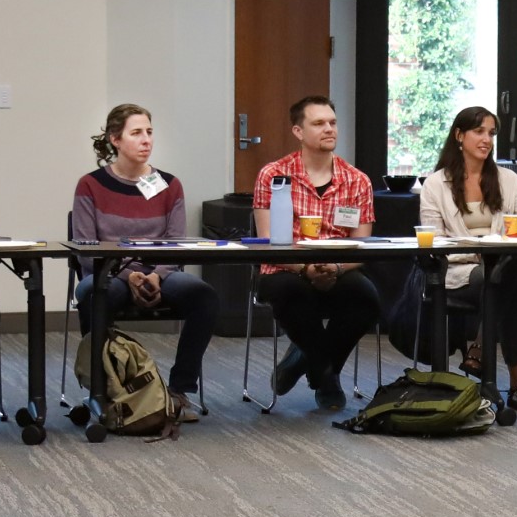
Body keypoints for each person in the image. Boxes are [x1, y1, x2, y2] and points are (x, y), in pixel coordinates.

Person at [70, 103, 218, 419]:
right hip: (111, 273)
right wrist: (130, 276)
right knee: (94, 292)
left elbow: (176, 244)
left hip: (161, 272)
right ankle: (104, 391)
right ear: (115, 140)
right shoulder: (90, 185)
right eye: (136, 133)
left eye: (149, 132)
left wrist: (156, 276)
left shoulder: (169, 184)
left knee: (203, 295)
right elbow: (86, 251)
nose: (146, 140)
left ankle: (178, 391)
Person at [250, 95, 379, 413]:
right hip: (284, 268)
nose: (329, 129)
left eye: (332, 122)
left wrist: (335, 268)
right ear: (298, 131)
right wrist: (305, 269)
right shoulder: (273, 175)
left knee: (366, 298)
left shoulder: (357, 180)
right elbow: (268, 242)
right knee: (291, 292)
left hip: (338, 268)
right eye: (319, 123)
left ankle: (302, 357)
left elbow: (362, 245)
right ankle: (326, 376)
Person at [418, 105, 517, 412]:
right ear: (459, 136)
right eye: (479, 132)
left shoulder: (509, 180)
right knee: (506, 282)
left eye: (491, 133)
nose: (487, 140)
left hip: (509, 265)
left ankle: (479, 347)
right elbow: (435, 243)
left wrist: (500, 250)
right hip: (460, 272)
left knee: (511, 271)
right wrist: (479, 250)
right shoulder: (435, 184)